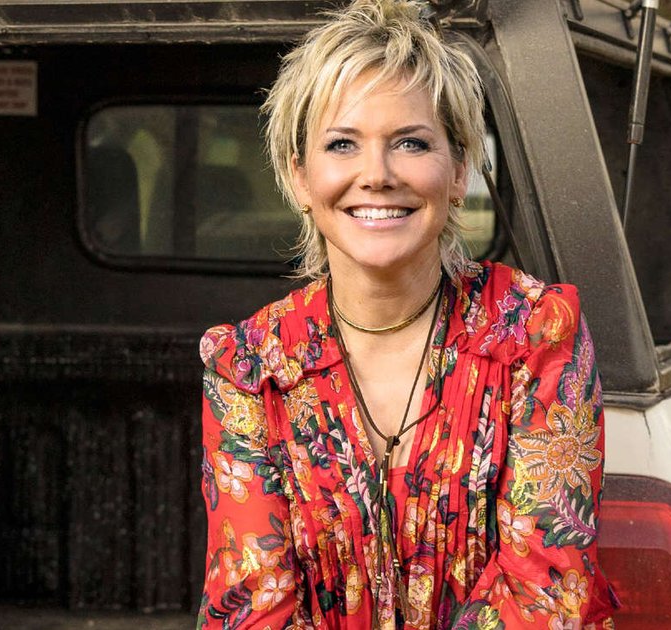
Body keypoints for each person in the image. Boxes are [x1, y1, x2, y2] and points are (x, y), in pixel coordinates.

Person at [196, 1, 617, 628]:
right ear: (300, 177)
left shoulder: (534, 333)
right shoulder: (250, 366)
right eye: (342, 144)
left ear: (460, 171)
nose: (377, 175)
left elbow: (545, 593)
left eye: (411, 143)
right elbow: (252, 602)